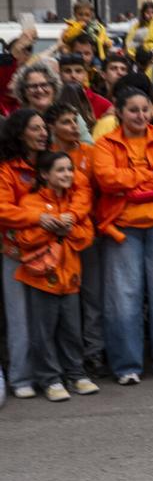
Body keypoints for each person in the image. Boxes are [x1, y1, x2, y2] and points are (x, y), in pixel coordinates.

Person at [93, 88, 153, 384]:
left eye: (144, 109)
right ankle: (126, 366)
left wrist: (130, 183)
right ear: (120, 112)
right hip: (120, 226)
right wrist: (149, 177)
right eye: (133, 110)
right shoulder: (104, 143)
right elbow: (106, 179)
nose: (140, 115)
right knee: (122, 298)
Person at [16, 150, 97, 401]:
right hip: (42, 278)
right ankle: (50, 379)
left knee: (72, 329)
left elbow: (86, 235)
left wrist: (66, 229)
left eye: (69, 169)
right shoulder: (31, 202)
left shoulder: (74, 204)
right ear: (44, 174)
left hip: (70, 278)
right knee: (44, 331)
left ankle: (76, 374)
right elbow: (23, 238)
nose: (67, 174)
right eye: (60, 170)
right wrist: (49, 228)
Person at [45, 103, 105, 376]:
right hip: (49, 237)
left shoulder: (90, 153)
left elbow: (89, 194)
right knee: (58, 298)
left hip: (85, 234)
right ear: (52, 128)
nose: (73, 127)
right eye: (66, 122)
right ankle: (60, 358)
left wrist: (71, 217)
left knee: (92, 297)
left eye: (75, 121)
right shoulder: (43, 158)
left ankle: (93, 353)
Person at [0, 110, 51, 398]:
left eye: (44, 128)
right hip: (16, 252)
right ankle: (21, 378)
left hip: (51, 250)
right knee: (19, 316)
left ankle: (49, 374)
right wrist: (39, 217)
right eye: (35, 128)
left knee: (47, 317)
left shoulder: (52, 164)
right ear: (21, 133)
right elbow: (3, 209)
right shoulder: (7, 169)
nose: (43, 133)